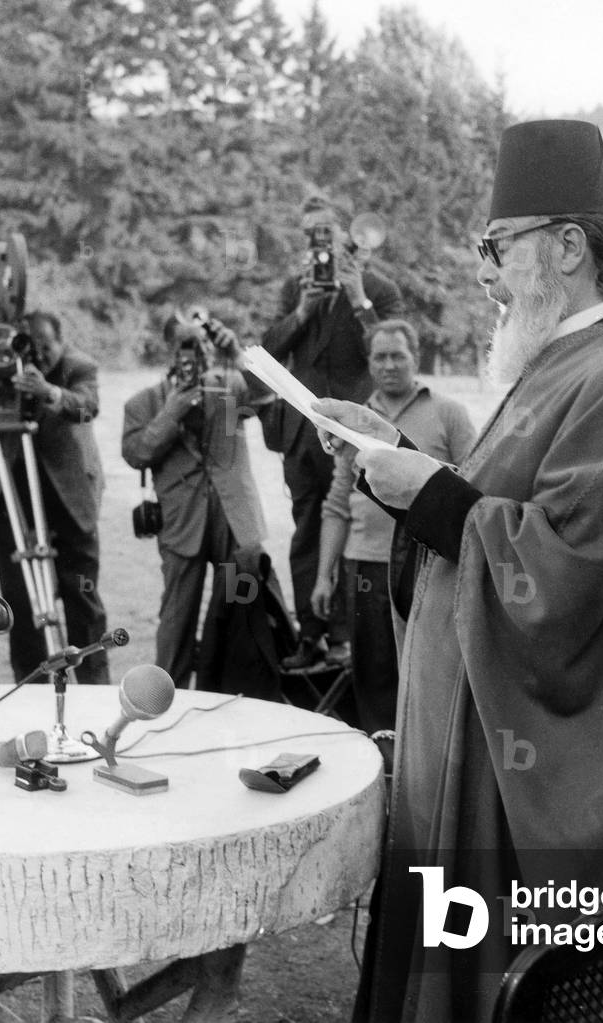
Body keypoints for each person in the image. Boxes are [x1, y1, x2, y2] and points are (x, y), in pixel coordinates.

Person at [316, 120, 603, 1023]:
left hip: (522, 761)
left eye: (496, 247)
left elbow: (564, 572)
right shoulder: (560, 362)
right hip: (462, 735)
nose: (483, 273)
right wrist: (389, 454)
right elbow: (486, 500)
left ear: (566, 246)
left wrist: (429, 492)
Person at [311, 319, 475, 737]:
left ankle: (423, 762)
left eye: (397, 355)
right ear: (369, 362)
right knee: (372, 672)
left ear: (415, 358)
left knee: (426, 671)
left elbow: (474, 484)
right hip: (363, 567)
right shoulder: (356, 418)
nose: (388, 365)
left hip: (425, 564)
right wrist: (324, 575)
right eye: (379, 356)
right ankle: (382, 760)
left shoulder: (448, 414)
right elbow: (337, 503)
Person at [262, 196, 403, 669]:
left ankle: (347, 638)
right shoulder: (295, 288)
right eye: (309, 235)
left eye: (325, 231)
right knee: (306, 532)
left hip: (353, 430)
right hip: (302, 436)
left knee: (350, 527)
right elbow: (268, 351)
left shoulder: (378, 288)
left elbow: (392, 351)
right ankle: (311, 634)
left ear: (345, 235)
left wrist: (358, 297)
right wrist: (302, 313)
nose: (318, 242)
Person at [0, 310, 109, 684]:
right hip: (13, 500)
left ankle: (95, 686)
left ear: (60, 339)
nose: (38, 356)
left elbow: (87, 408)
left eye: (46, 346)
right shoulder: (0, 367)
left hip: (69, 501)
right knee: (20, 601)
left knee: (82, 598)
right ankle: (30, 688)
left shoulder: (78, 366)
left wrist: (48, 391)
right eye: (31, 346)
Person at [122, 312, 280, 691]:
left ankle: (235, 695)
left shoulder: (230, 386)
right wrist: (170, 414)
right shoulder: (145, 402)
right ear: (170, 350)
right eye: (185, 344)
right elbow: (136, 453)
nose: (194, 353)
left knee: (242, 618)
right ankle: (165, 700)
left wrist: (237, 353)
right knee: (176, 620)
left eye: (202, 343)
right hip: (182, 522)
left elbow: (267, 395)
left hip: (234, 518)